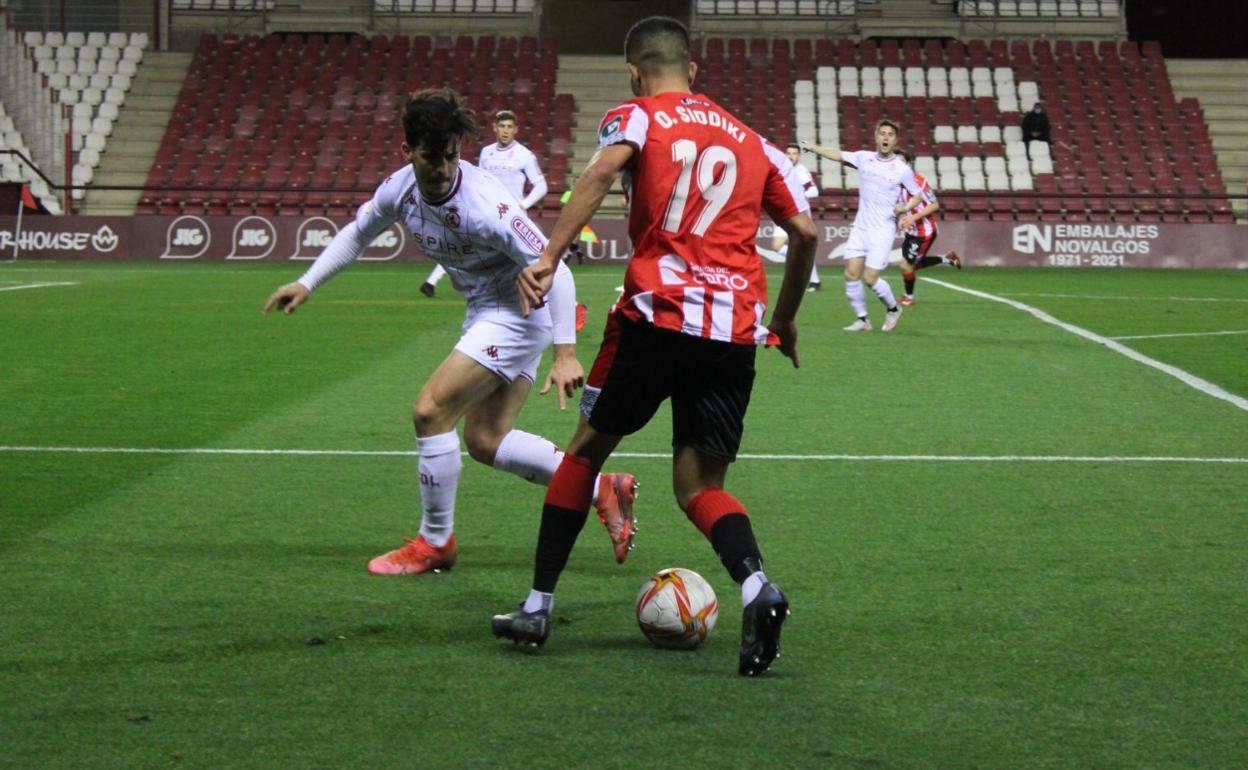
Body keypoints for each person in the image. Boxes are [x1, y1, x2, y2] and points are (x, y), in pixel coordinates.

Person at [490, 16, 817, 678]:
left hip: (653, 317)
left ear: (635, 72)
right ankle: (758, 587)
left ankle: (537, 604)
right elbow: (806, 232)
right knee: (700, 486)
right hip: (731, 332)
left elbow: (603, 172)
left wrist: (551, 255)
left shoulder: (637, 117)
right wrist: (782, 322)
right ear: (694, 71)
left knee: (584, 453)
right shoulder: (755, 141)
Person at [263, 89, 636, 576]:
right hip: (488, 310)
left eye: (450, 156)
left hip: (517, 312)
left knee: (430, 410)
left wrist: (566, 353)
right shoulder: (399, 189)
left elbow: (556, 270)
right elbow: (358, 232)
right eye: (430, 157)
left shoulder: (486, 203)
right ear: (407, 152)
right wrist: (308, 281)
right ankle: (603, 489)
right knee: (485, 440)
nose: (442, 168)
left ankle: (435, 542)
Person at [802, 119, 920, 332]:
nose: (885, 137)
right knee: (851, 273)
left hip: (883, 229)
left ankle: (893, 309)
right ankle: (863, 319)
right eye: (882, 133)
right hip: (861, 226)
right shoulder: (863, 158)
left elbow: (917, 196)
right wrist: (814, 148)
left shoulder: (901, 169)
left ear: (895, 140)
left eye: (890, 135)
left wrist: (904, 208)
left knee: (870, 277)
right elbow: (838, 154)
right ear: (876, 137)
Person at [420, 109, 549, 299]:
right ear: (494, 128)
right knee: (462, 245)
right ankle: (431, 282)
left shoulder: (525, 155)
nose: (505, 130)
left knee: (525, 255)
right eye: (502, 126)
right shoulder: (486, 153)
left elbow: (541, 185)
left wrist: (523, 205)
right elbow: (479, 179)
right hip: (485, 212)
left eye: (509, 127)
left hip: (512, 216)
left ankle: (544, 292)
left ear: (516, 130)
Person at [893, 149, 961, 306]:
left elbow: (935, 205)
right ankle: (947, 259)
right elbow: (901, 206)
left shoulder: (919, 182)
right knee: (912, 265)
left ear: (908, 164)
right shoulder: (894, 184)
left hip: (925, 232)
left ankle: (909, 297)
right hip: (911, 231)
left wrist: (913, 218)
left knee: (907, 265)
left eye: (902, 162)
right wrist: (901, 218)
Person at [768, 142, 822, 290]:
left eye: (794, 153)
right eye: (789, 153)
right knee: (776, 247)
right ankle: (812, 276)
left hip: (799, 215)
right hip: (783, 213)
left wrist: (797, 195)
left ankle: (814, 281)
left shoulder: (801, 171)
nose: (791, 156)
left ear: (799, 155)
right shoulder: (782, 169)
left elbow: (814, 191)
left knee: (791, 247)